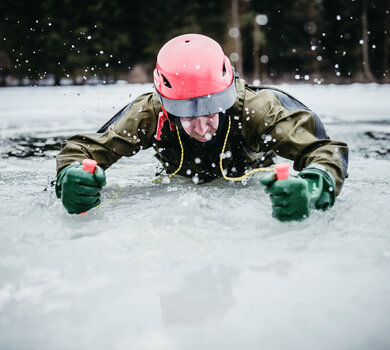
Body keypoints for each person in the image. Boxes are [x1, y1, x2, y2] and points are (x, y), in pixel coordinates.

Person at [55, 33, 349, 221]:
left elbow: (324, 150)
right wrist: (73, 176)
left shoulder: (258, 109)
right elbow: (83, 150)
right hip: (179, 186)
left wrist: (312, 188)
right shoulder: (149, 114)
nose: (202, 126)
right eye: (186, 114)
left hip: (251, 186)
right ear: (166, 103)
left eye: (212, 110)